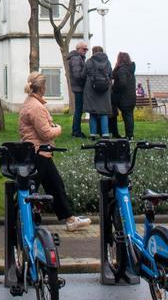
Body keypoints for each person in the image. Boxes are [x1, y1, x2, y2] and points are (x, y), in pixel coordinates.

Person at [18, 72, 92, 232]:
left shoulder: (31, 103)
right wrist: (58, 128)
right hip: (39, 154)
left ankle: (70, 219)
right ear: (43, 88)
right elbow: (45, 133)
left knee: (55, 186)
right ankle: (22, 222)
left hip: (39, 153)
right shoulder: (36, 107)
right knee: (32, 190)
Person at [82, 45, 113, 137]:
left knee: (93, 112)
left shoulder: (89, 62)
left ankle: (93, 134)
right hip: (104, 91)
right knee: (104, 113)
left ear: (93, 52)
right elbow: (111, 75)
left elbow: (83, 75)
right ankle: (105, 133)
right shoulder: (107, 62)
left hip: (91, 90)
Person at [109, 52, 137, 139]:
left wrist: (114, 88)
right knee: (129, 116)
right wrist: (116, 67)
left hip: (124, 97)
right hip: (131, 96)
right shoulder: (130, 69)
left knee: (126, 116)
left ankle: (126, 135)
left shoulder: (122, 70)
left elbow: (122, 83)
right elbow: (113, 75)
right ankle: (129, 135)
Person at [68, 42, 88, 138]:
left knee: (79, 110)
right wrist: (85, 81)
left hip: (78, 87)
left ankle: (76, 130)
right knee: (78, 110)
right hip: (79, 87)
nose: (86, 51)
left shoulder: (78, 58)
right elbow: (77, 75)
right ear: (78, 49)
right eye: (84, 49)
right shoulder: (76, 58)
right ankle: (76, 131)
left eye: (86, 49)